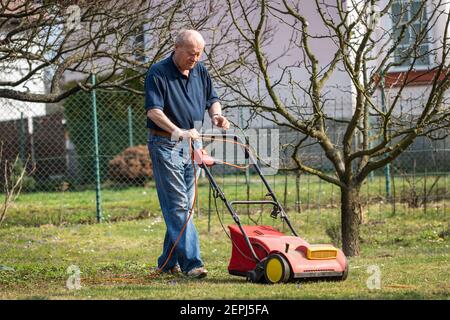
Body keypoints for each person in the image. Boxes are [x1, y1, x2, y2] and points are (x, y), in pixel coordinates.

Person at [145, 29, 229, 279]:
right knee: (179, 206)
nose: (195, 58)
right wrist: (178, 132)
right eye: (191, 53)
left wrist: (216, 115)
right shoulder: (158, 73)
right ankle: (192, 264)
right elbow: (153, 111)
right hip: (165, 144)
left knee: (184, 208)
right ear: (176, 48)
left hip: (191, 146)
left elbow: (212, 99)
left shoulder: (200, 70)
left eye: (199, 53)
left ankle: (167, 262)